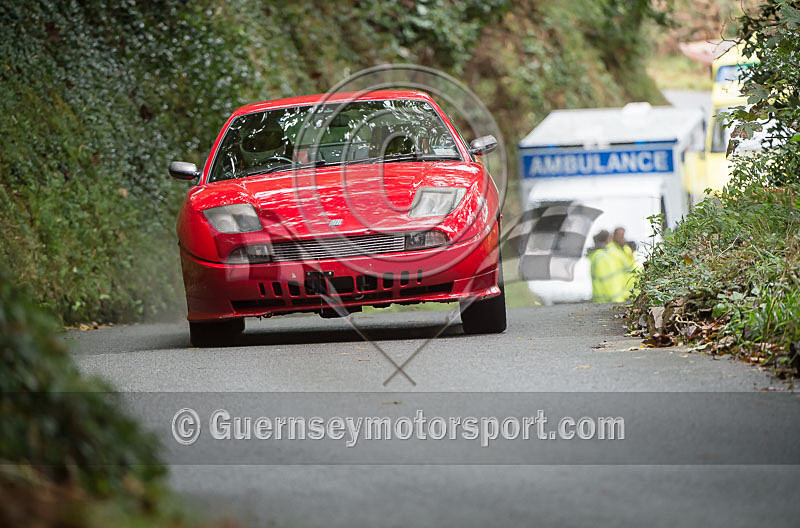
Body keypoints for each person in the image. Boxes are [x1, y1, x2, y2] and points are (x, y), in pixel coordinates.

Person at [587, 230, 628, 303]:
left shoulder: (598, 255)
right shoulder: (605, 256)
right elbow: (609, 280)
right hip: (610, 300)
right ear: (608, 239)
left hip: (602, 300)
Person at [606, 227, 639, 300]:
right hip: (620, 291)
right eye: (619, 235)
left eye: (623, 235)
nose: (622, 238)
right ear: (614, 235)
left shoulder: (626, 249)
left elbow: (632, 265)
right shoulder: (610, 249)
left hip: (630, 291)